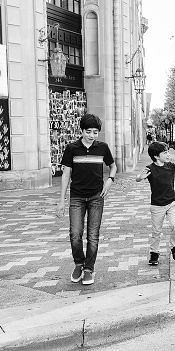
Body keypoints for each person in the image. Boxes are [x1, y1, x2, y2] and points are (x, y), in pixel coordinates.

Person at [56, 113, 117, 286]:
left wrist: (110, 180)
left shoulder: (102, 148)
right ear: (81, 130)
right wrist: (61, 200)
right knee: (75, 234)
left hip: (97, 197)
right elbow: (66, 174)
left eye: (95, 132)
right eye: (88, 131)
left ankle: (89, 269)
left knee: (93, 235)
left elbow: (113, 166)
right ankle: (78, 264)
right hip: (77, 197)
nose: (91, 135)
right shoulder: (72, 148)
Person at [136, 141, 175, 266]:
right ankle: (154, 253)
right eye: (165, 152)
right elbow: (138, 178)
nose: (168, 154)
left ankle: (174, 247)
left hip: (172, 202)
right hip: (157, 205)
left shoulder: (170, 166)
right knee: (156, 231)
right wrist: (141, 177)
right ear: (156, 156)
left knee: (174, 225)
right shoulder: (150, 168)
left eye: (168, 152)